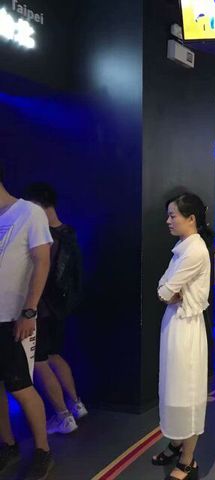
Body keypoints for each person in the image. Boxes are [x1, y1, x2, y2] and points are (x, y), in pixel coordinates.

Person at [152, 193, 212, 480]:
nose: (168, 220)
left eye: (173, 215)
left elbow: (165, 291)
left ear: (191, 218)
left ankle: (188, 460)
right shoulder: (183, 247)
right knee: (172, 387)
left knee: (186, 391)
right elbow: (163, 287)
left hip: (186, 328)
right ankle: (177, 443)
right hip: (175, 324)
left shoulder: (194, 250)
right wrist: (169, 292)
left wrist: (170, 292)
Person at [0, 164, 55, 479]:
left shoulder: (29, 213)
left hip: (14, 319)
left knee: (20, 386)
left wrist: (29, 311)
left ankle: (42, 450)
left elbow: (42, 261)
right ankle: (8, 445)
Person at [23, 183, 88, 436]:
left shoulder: (45, 237)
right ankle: (76, 404)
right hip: (61, 308)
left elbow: (40, 273)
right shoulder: (68, 233)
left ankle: (63, 416)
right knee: (54, 355)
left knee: (39, 361)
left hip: (41, 308)